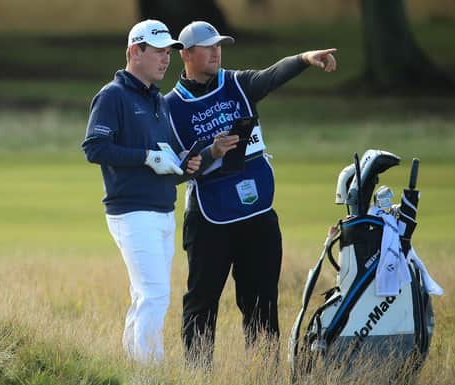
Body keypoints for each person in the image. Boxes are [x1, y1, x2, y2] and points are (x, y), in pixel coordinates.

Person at [165, 20, 337, 364]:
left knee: (261, 301)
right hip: (209, 218)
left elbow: (272, 75)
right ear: (186, 54)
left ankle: (264, 376)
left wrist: (304, 58)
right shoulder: (171, 107)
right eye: (208, 46)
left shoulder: (237, 84)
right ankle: (198, 378)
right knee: (202, 302)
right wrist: (210, 152)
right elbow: (173, 171)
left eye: (219, 45)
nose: (216, 52)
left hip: (257, 213)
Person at [82, 19, 204, 364]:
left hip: (163, 209)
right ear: (135, 52)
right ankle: (152, 373)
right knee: (155, 295)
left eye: (169, 52)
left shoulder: (157, 100)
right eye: (159, 52)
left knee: (144, 296)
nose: (166, 59)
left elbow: (158, 159)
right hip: (131, 211)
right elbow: (95, 148)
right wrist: (147, 157)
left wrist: (182, 165)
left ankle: (132, 370)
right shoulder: (112, 96)